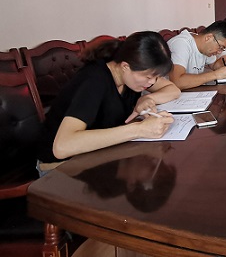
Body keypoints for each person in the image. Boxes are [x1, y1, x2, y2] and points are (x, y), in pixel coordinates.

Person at [37, 32, 181, 171]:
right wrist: (139, 129)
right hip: (61, 167)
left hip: (98, 154)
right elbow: (62, 147)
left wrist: (148, 98)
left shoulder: (130, 74)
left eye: (156, 77)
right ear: (125, 66)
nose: (152, 83)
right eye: (149, 77)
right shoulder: (94, 81)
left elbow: (173, 89)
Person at [167, 21, 226, 90]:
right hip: (171, 94)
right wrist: (215, 75)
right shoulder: (181, 44)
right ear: (208, 38)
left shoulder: (204, 47)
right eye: (220, 47)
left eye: (223, 49)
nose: (219, 52)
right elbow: (177, 81)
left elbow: (215, 64)